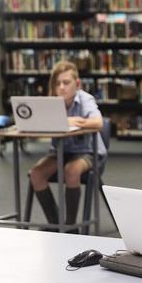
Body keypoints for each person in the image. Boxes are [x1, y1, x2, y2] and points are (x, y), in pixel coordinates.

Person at [29, 61, 106, 230]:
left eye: (66, 82)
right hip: (60, 152)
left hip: (89, 152)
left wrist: (71, 121)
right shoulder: (52, 102)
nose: (61, 87)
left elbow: (98, 122)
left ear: (77, 84)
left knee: (71, 170)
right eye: (57, 83)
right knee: (36, 174)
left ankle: (70, 227)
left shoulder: (85, 99)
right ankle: (56, 224)